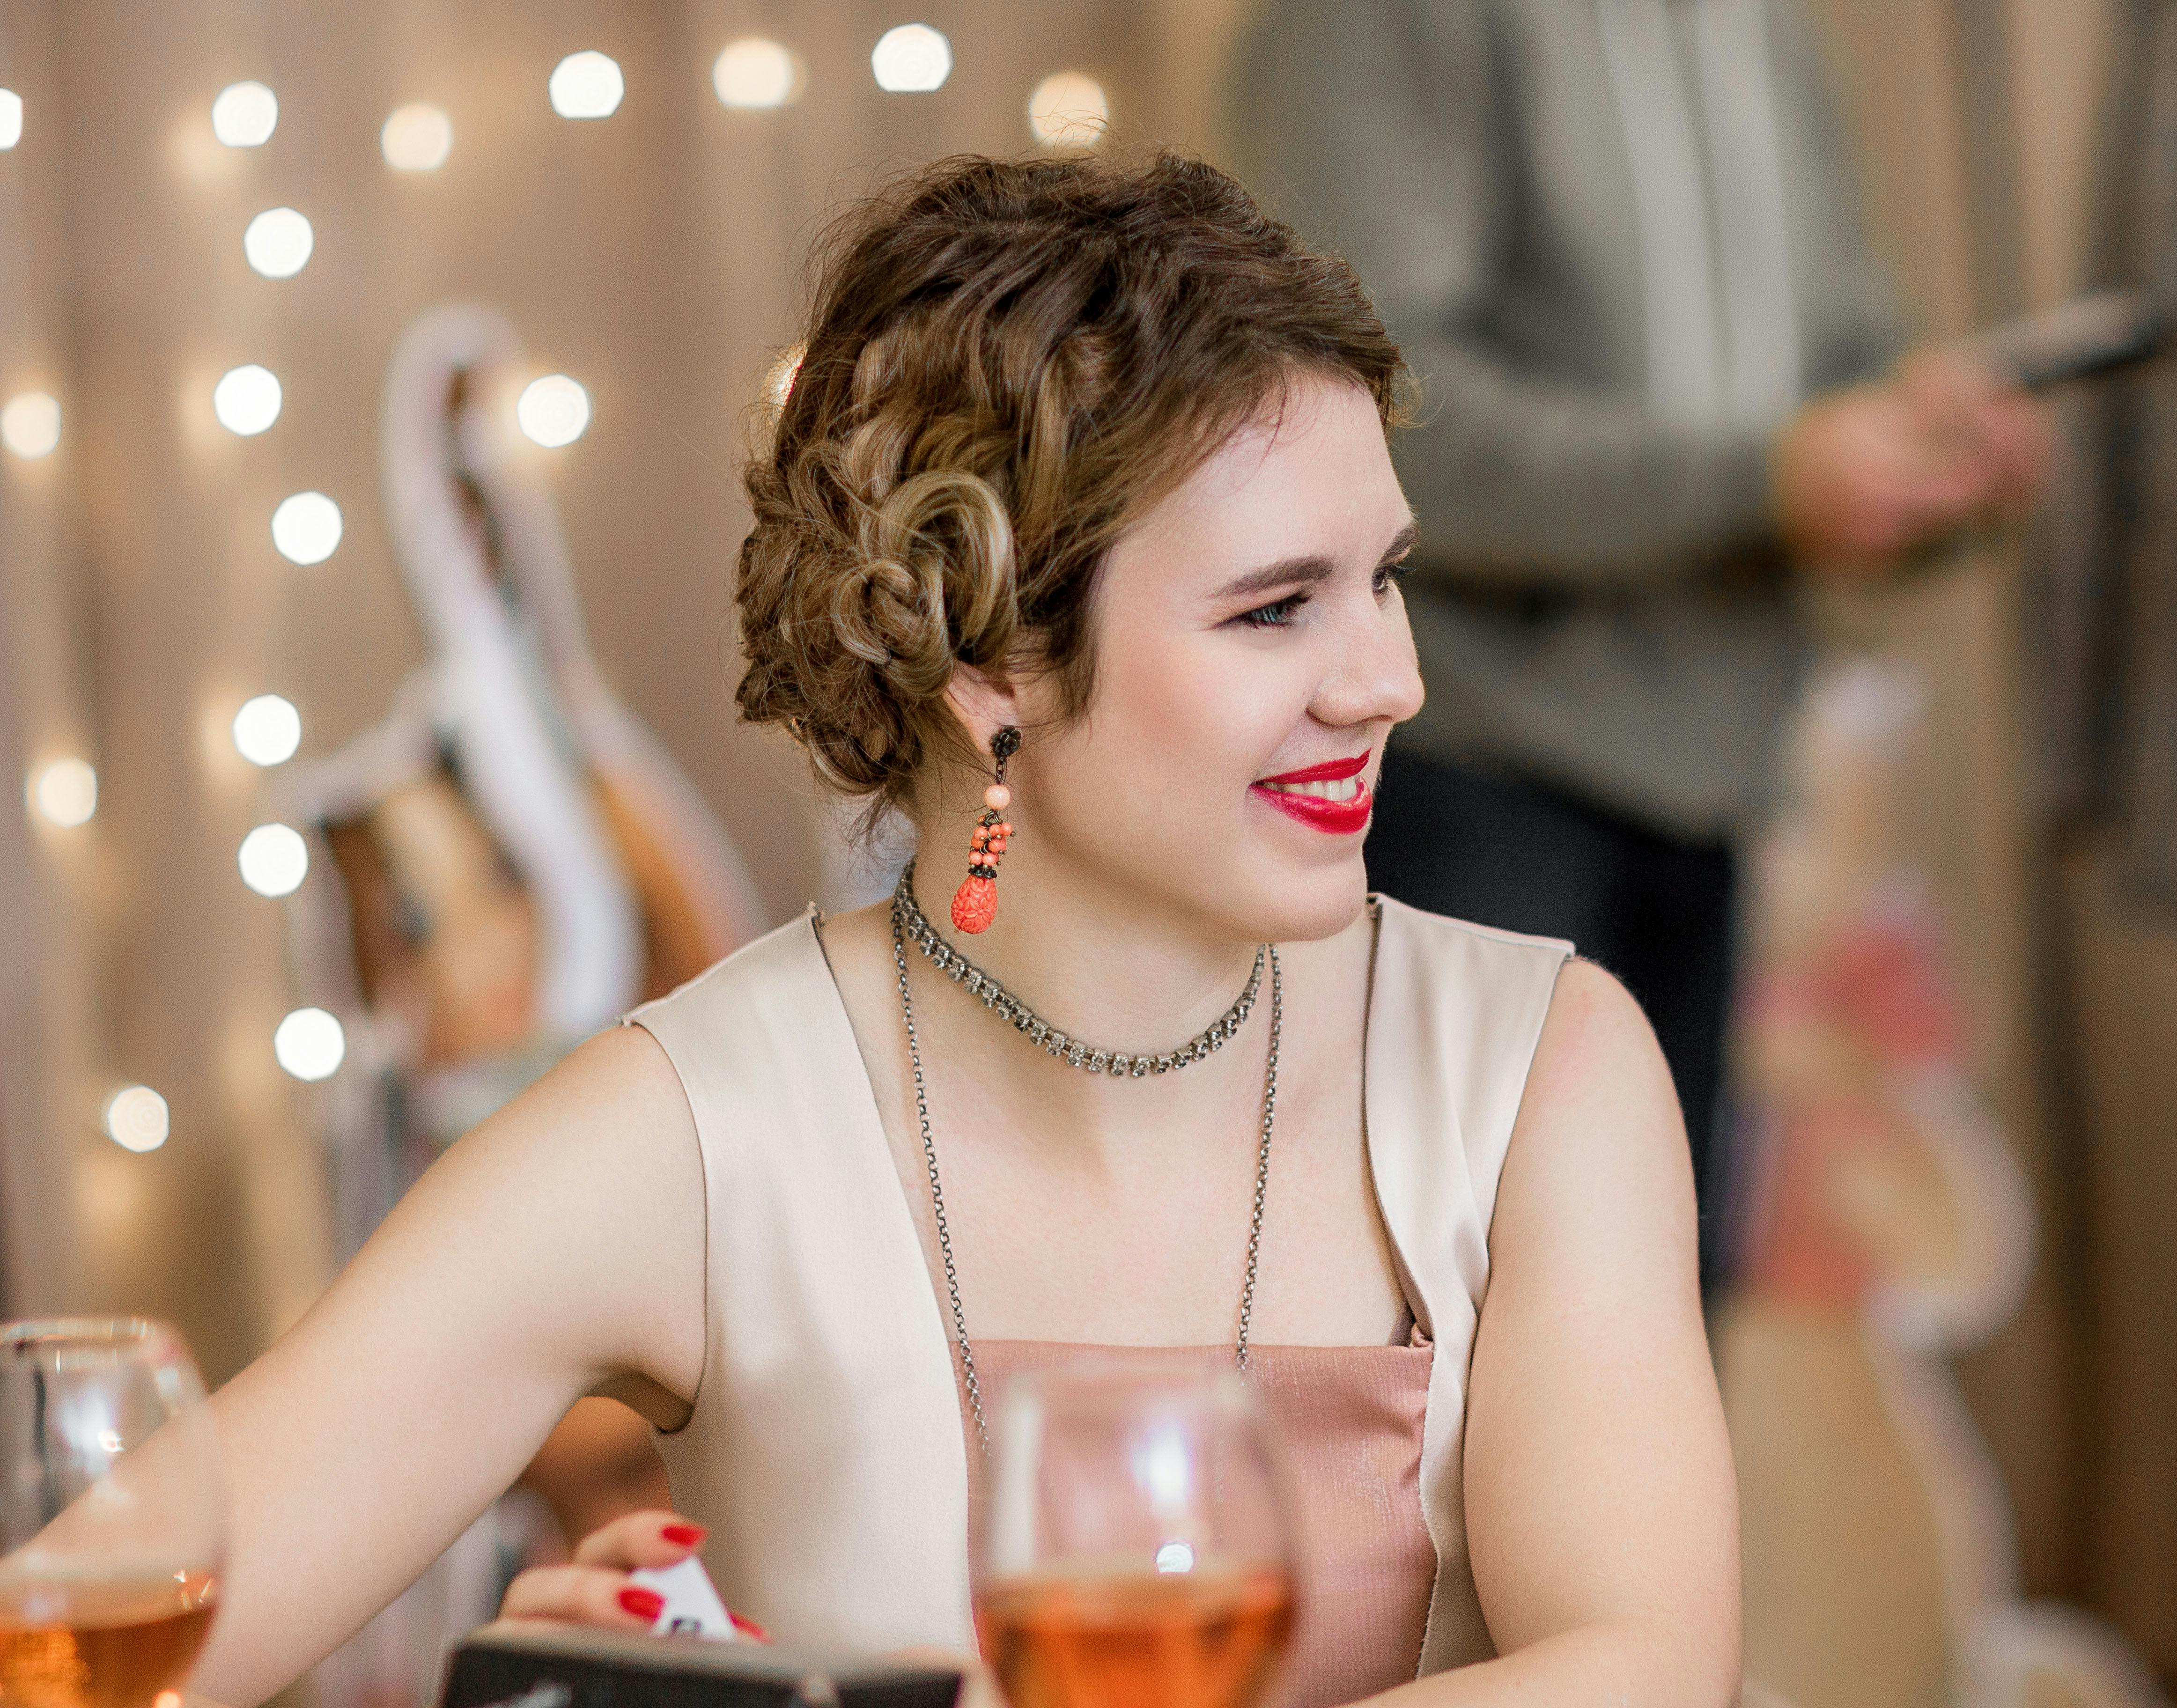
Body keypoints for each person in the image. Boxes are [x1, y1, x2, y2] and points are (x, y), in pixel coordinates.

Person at [186, 152, 1739, 1708]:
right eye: (1278, 608)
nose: (1388, 682)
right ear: (992, 661)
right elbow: (107, 1633)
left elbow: (1648, 1671)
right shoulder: (697, 1132)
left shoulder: (1539, 1068)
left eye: (1384, 580)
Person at [1232, 0, 2047, 1284]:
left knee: (1653, 1335)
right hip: (1467, 776)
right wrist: (1766, 481)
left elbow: (1836, 371)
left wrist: (1924, 450)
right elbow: (1362, 409)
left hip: (1711, 778)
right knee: (1461, 1351)